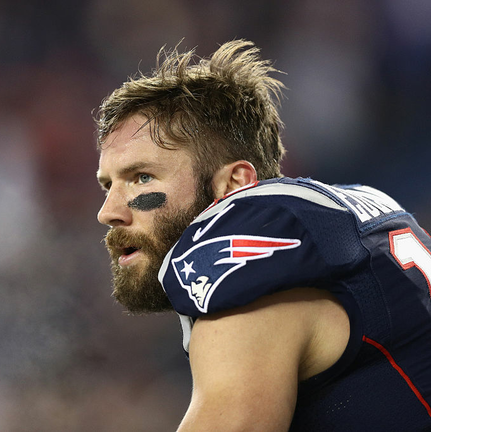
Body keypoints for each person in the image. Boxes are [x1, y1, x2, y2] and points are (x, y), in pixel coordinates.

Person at [94, 39, 430, 431]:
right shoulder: (358, 211)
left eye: (141, 178)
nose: (108, 212)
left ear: (234, 184)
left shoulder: (251, 252)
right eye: (107, 185)